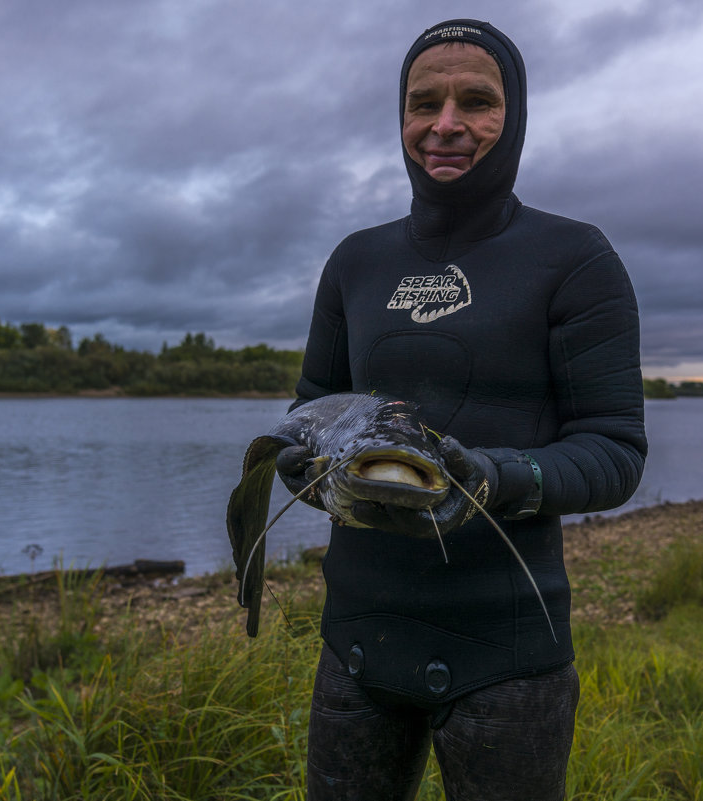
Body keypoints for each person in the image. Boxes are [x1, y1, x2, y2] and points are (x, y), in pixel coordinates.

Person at [275, 19, 648, 801]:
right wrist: (297, 462)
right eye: (423, 103)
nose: (445, 125)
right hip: (356, 643)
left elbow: (614, 450)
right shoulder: (355, 260)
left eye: (475, 101)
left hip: (507, 654)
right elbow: (311, 405)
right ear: (401, 117)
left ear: (513, 116)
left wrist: (490, 477)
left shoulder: (575, 258)